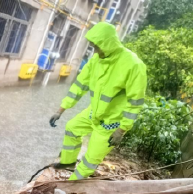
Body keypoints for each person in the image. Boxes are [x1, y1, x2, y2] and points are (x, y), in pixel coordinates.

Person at [49, 22, 147, 180]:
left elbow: (135, 101)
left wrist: (122, 130)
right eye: (93, 46)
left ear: (108, 43)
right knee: (72, 128)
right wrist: (60, 110)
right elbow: (79, 86)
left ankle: (73, 183)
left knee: (91, 158)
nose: (95, 50)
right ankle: (68, 162)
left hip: (112, 120)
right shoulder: (96, 60)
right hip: (94, 112)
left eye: (97, 46)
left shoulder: (133, 65)